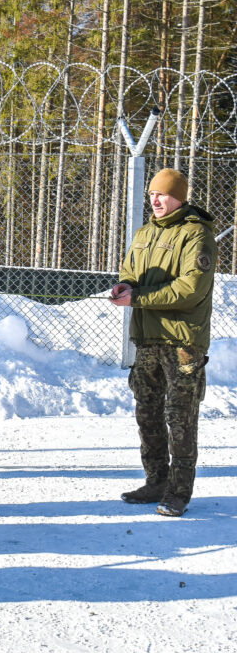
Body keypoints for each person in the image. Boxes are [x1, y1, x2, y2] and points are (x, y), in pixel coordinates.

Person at [110, 168, 216, 517]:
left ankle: (178, 492)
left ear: (179, 197)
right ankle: (156, 481)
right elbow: (131, 272)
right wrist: (125, 286)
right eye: (152, 194)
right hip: (148, 339)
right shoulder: (144, 233)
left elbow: (190, 288)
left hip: (181, 341)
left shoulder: (196, 234)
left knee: (180, 418)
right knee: (148, 413)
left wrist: (138, 298)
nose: (155, 200)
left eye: (163, 194)